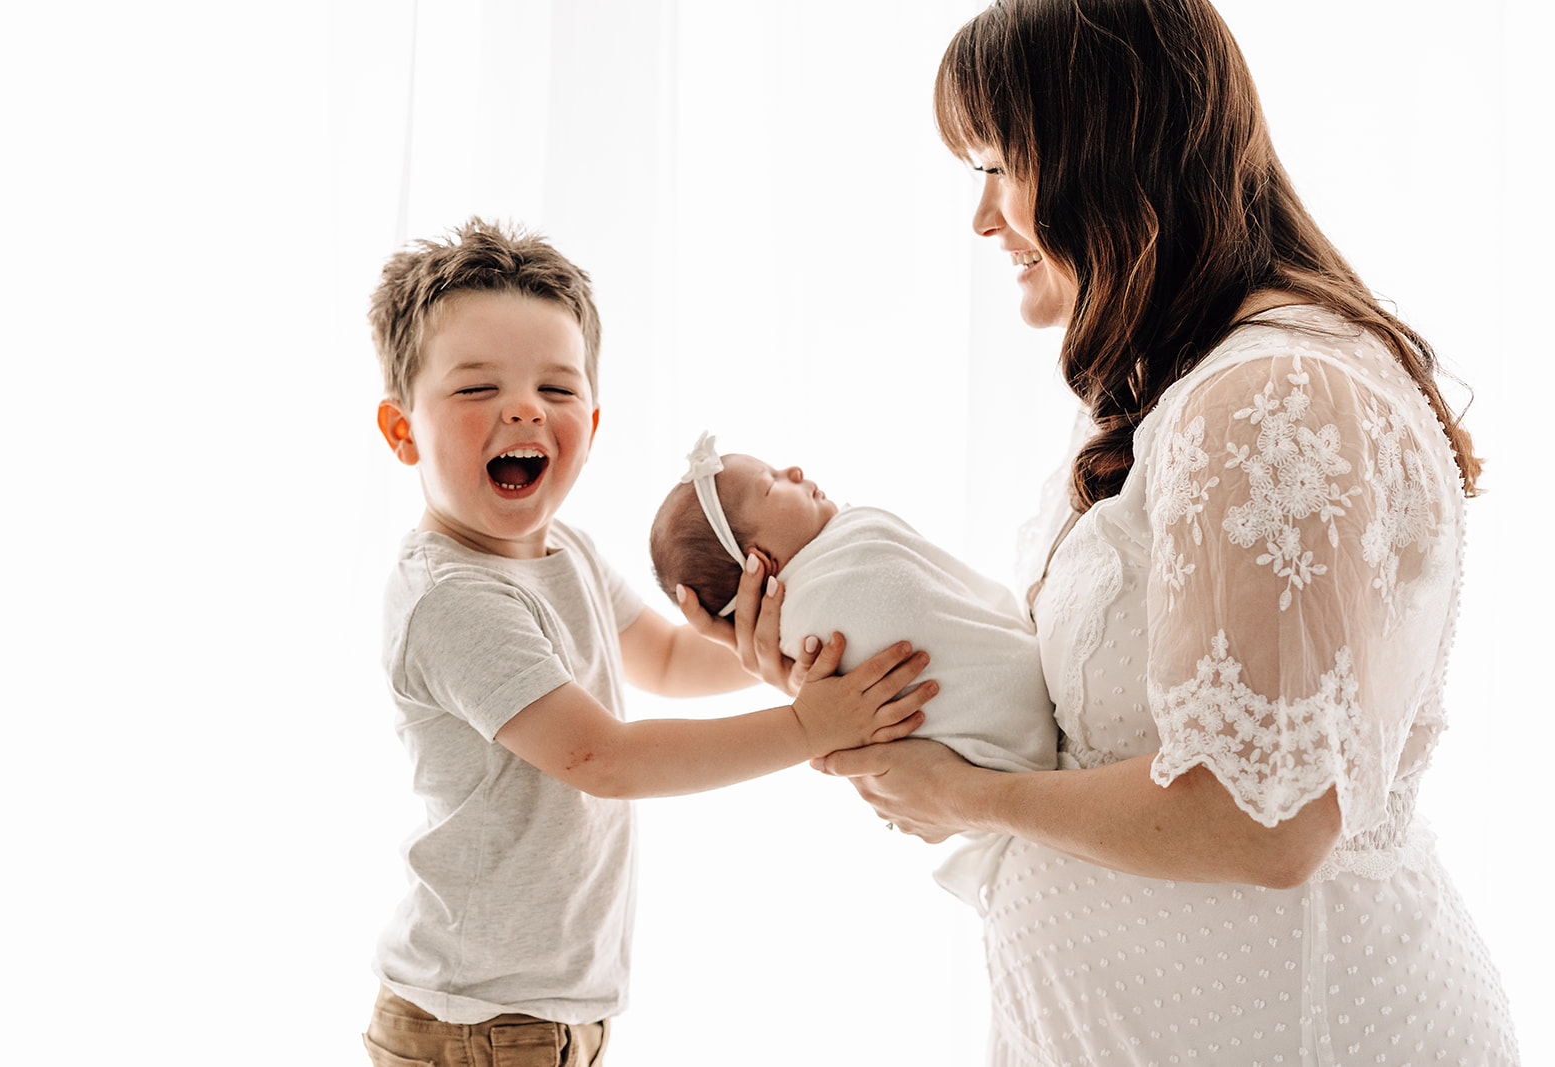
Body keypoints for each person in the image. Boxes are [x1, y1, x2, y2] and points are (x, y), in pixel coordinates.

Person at [682, 2, 1522, 1063]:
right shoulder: (1185, 386)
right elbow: (1088, 735)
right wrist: (843, 665)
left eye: (996, 166)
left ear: (1105, 153)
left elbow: (1268, 818)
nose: (981, 219)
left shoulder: (1274, 395)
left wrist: (970, 793)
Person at [361, 218, 936, 1067]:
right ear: (402, 429)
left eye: (555, 391)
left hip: (546, 1009)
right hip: (475, 1020)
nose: (524, 408)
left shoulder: (568, 550)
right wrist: (813, 726)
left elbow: (664, 658)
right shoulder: (452, 599)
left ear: (591, 423)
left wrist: (776, 655)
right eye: (478, 389)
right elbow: (603, 757)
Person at [651, 432, 1057, 782]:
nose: (792, 471)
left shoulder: (847, 541)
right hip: (1012, 727)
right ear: (760, 559)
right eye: (771, 486)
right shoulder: (813, 615)